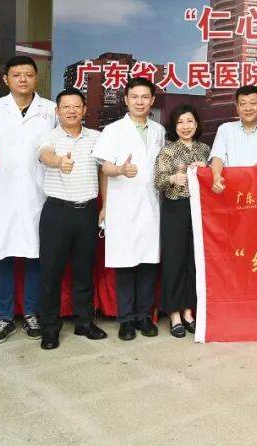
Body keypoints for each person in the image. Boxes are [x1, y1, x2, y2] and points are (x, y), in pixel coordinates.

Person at [0, 55, 57, 345]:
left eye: (28, 74)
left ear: (36, 78)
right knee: (1, 255)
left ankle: (31, 313)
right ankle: (5, 318)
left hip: (38, 194)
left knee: (35, 255)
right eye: (17, 75)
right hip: (0, 196)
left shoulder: (50, 110)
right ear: (6, 79)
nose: (23, 79)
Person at [93, 77, 165, 341]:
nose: (140, 102)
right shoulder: (113, 130)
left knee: (148, 263)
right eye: (134, 97)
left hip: (151, 205)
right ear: (126, 99)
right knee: (125, 264)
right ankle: (125, 319)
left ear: (152, 100)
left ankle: (144, 316)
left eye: (145, 97)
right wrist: (120, 169)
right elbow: (104, 167)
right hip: (122, 204)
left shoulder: (158, 130)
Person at [35, 88, 106, 350]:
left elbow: (104, 172)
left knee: (84, 271)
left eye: (77, 106)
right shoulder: (48, 136)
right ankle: (50, 328)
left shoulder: (96, 137)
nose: (72, 111)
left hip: (87, 211)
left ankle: (84, 322)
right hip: (57, 212)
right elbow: (45, 155)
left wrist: (105, 206)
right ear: (57, 111)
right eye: (66, 107)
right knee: (50, 273)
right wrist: (58, 162)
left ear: (84, 110)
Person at [153, 105, 210, 338]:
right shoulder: (168, 150)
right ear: (174, 126)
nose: (185, 127)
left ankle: (188, 312)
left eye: (189, 121)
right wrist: (173, 178)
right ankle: (174, 314)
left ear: (196, 124)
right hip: (175, 209)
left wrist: (205, 169)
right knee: (174, 261)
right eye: (180, 122)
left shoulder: (204, 149)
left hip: (199, 210)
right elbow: (157, 180)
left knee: (193, 261)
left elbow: (215, 176)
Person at [209, 85, 257, 195]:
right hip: (232, 192)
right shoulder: (225, 129)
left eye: (252, 103)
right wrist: (217, 177)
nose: (248, 108)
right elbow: (217, 157)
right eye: (243, 104)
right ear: (237, 107)